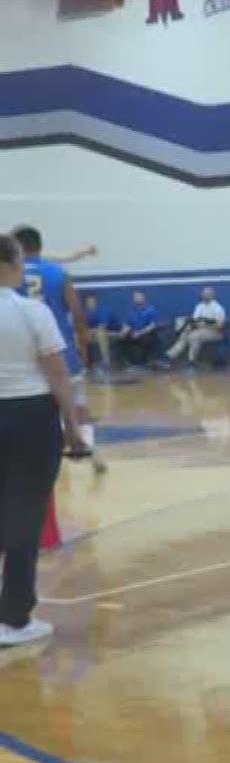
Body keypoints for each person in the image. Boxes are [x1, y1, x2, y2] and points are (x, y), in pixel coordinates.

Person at [0, 234, 89, 648]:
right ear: (11, 263)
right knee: (23, 516)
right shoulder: (30, 311)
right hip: (29, 417)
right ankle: (14, 619)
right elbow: (57, 375)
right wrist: (73, 428)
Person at [15, 227, 93, 451]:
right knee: (77, 402)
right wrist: (84, 346)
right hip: (61, 350)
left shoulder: (11, 276)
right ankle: (86, 447)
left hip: (25, 354)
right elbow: (77, 313)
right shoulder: (58, 272)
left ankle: (40, 452)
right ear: (40, 245)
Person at [166, 287, 227, 369]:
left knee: (194, 336)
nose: (205, 295)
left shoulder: (217, 307)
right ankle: (168, 357)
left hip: (215, 332)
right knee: (185, 334)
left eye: (207, 294)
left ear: (212, 295)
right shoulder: (199, 306)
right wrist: (189, 328)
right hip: (200, 330)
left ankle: (190, 362)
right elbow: (195, 321)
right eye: (204, 294)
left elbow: (220, 324)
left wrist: (204, 322)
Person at [82, 295, 123, 373]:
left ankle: (106, 361)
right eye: (88, 302)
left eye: (92, 302)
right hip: (98, 333)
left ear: (95, 302)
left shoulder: (102, 311)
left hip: (116, 333)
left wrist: (90, 331)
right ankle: (83, 363)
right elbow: (84, 328)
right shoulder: (86, 313)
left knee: (100, 333)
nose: (90, 304)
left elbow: (102, 327)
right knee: (78, 336)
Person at [123, 291, 161, 367]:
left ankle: (145, 362)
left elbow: (152, 325)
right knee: (122, 339)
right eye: (135, 297)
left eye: (138, 297)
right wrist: (125, 331)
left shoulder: (150, 309)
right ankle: (132, 363)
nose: (136, 299)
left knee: (147, 338)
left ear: (143, 298)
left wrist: (140, 333)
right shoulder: (132, 310)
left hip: (146, 333)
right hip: (134, 333)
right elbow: (128, 324)